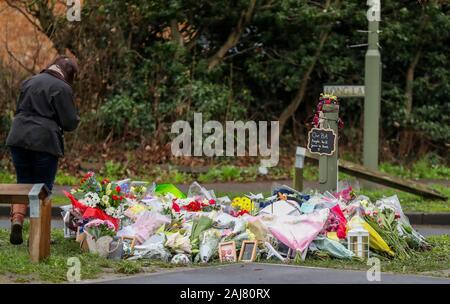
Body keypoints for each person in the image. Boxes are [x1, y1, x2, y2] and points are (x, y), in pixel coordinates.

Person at [6, 55, 80, 245]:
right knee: (43, 188)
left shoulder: (29, 81)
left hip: (18, 136)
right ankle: (38, 236)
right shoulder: (62, 88)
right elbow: (69, 122)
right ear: (68, 73)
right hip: (44, 141)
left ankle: (16, 221)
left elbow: (20, 108)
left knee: (23, 183)